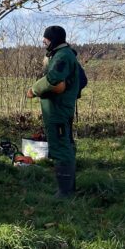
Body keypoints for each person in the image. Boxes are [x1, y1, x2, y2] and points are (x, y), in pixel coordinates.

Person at [26, 25, 79, 198]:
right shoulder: (63, 54)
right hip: (59, 107)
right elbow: (80, 80)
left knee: (61, 146)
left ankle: (64, 193)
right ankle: (68, 188)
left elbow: (54, 78)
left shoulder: (63, 55)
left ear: (53, 40)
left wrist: (34, 90)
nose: (44, 42)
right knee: (65, 143)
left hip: (59, 108)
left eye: (46, 39)